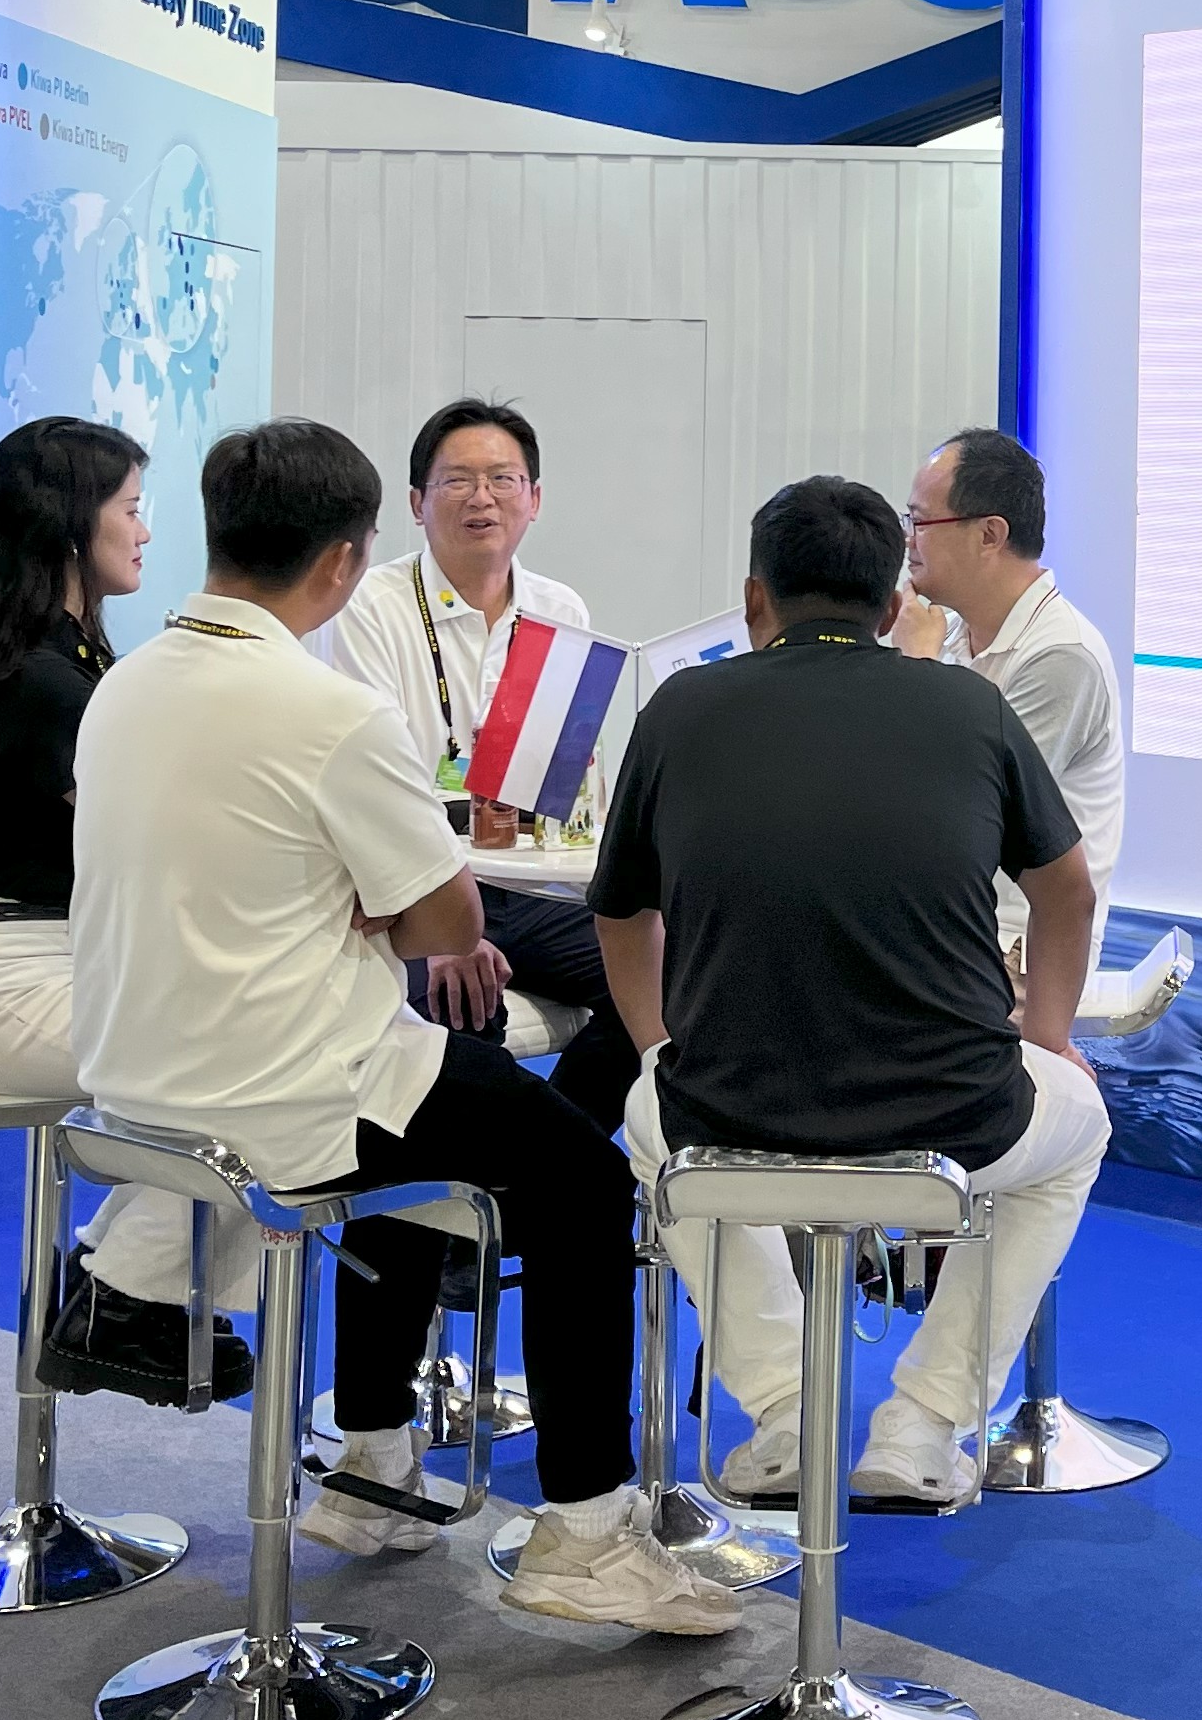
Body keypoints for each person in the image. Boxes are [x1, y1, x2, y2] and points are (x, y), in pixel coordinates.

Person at [67, 416, 732, 1633]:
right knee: (584, 1181)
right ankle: (587, 1535)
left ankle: (372, 1463)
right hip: (295, 1090)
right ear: (347, 559)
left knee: (446, 1107)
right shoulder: (324, 709)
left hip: (137, 1086)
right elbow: (442, 920)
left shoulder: (126, 684)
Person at [595, 474, 1109, 1511]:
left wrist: (659, 1047)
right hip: (953, 1117)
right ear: (892, 605)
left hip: (730, 1113)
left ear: (755, 599)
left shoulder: (680, 708)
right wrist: (1049, 1039)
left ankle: (785, 1411)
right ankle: (921, 1426)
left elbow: (619, 916)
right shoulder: (970, 706)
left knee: (654, 1119)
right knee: (1079, 1128)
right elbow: (1069, 891)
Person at [0, 418, 235, 1405]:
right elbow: (159, 847)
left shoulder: (63, 660)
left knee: (252, 1052)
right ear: (70, 524)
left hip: (32, 960)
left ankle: (110, 1286)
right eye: (130, 509)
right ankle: (115, 1298)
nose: (146, 532)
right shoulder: (48, 684)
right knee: (260, 1065)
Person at [318, 397, 638, 1130]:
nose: (482, 498)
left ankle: (553, 1152)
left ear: (534, 499)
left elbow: (558, 783)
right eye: (457, 480)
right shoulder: (372, 606)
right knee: (462, 1014)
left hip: (529, 886)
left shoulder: (561, 610)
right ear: (417, 502)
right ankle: (488, 1188)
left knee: (667, 980)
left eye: (502, 479)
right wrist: (449, 931)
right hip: (412, 891)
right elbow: (374, 791)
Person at [900, 427, 1123, 986]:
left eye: (921, 523)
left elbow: (959, 815)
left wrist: (916, 669)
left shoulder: (1060, 655)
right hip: (951, 931)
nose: (908, 541)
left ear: (989, 535)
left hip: (1011, 952)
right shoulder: (951, 632)